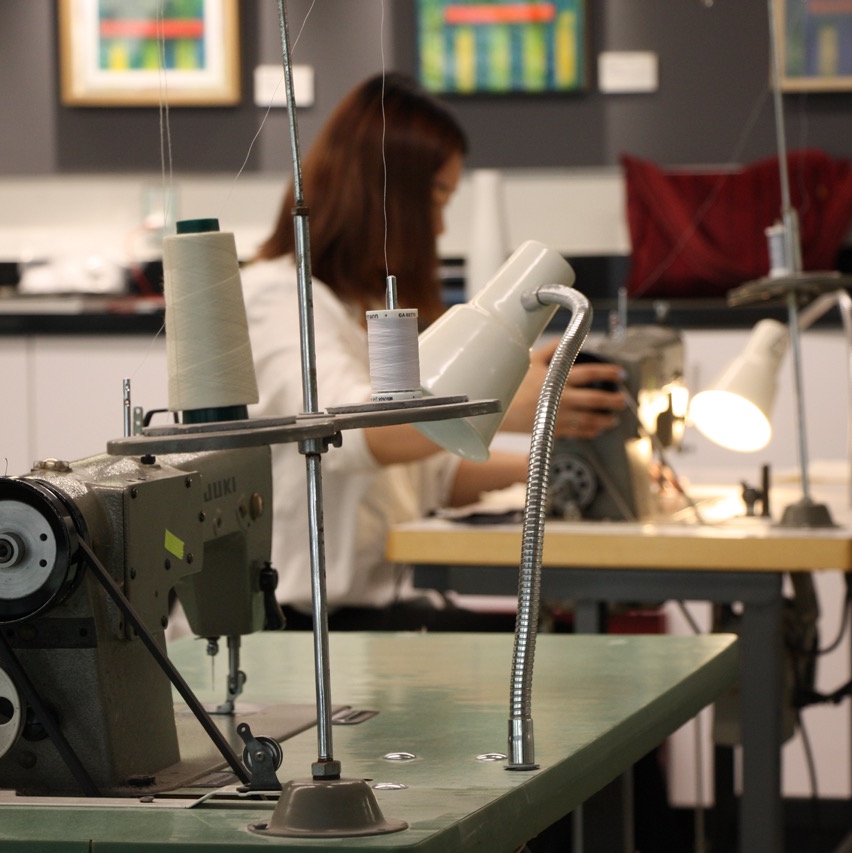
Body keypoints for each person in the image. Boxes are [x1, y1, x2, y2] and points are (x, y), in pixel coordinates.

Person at [240, 72, 626, 631]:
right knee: (572, 659)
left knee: (570, 644)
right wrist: (496, 404)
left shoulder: (366, 305)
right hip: (308, 628)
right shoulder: (278, 298)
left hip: (385, 610)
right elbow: (343, 433)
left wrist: (567, 465)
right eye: (438, 197)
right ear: (387, 194)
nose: (442, 224)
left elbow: (430, 475)